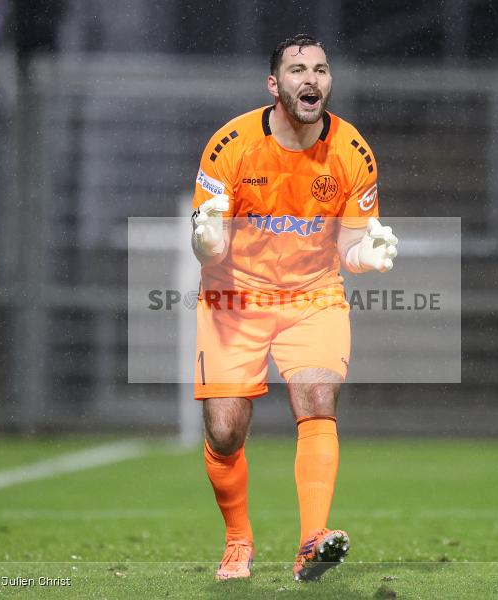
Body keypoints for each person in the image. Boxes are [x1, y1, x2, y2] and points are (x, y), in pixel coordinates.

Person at [189, 34, 399, 582]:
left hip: (312, 294)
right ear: (274, 84)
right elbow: (207, 238)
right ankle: (239, 539)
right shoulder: (229, 145)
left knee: (317, 400)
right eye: (299, 69)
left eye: (322, 70)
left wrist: (366, 255)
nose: (312, 79)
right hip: (234, 297)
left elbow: (352, 245)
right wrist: (207, 242)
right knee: (225, 431)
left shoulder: (353, 152)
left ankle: (312, 542)